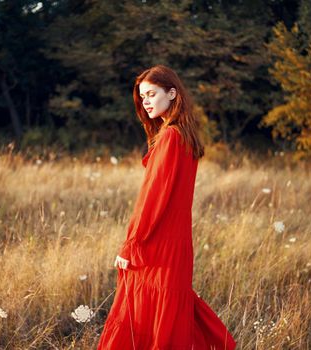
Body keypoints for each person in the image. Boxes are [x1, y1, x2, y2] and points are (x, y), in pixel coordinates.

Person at [97, 65, 237, 349]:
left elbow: (153, 198)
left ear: (172, 93)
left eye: (151, 94)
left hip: (157, 245)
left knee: (140, 315)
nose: (146, 101)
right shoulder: (183, 136)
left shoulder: (171, 137)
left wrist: (131, 244)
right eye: (142, 97)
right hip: (175, 244)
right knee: (164, 314)